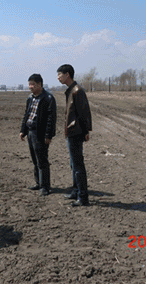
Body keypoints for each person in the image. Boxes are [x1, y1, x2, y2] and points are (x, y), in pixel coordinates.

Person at [57, 64, 92, 206]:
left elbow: (84, 113)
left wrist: (86, 131)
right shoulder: (71, 90)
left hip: (76, 132)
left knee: (78, 165)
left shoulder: (77, 91)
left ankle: (83, 197)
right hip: (72, 132)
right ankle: (76, 191)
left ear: (67, 75)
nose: (58, 77)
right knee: (73, 164)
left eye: (59, 74)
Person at [19, 74, 57, 196]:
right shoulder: (30, 98)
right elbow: (27, 115)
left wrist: (48, 135)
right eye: (29, 84)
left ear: (40, 84)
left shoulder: (48, 98)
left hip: (40, 134)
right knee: (35, 160)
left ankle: (45, 186)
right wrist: (23, 130)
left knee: (42, 160)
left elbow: (51, 119)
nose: (30, 87)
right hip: (30, 132)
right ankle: (38, 183)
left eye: (33, 84)